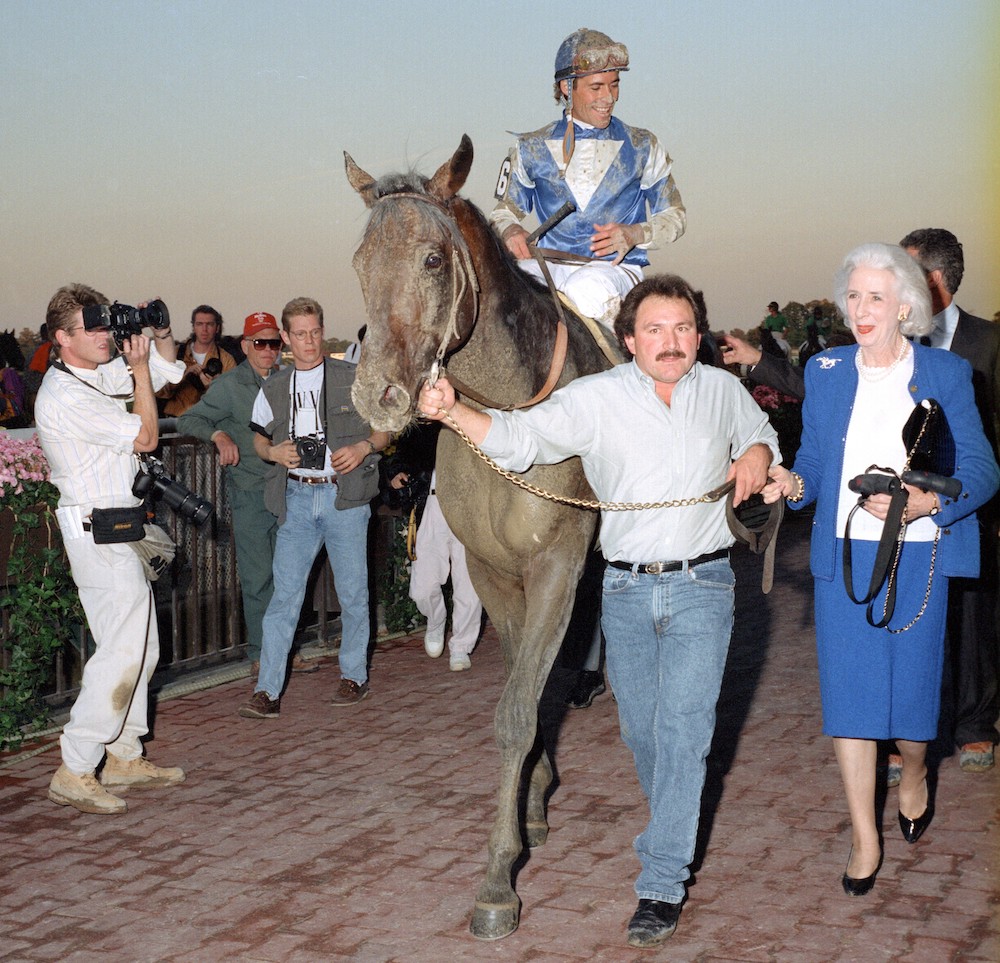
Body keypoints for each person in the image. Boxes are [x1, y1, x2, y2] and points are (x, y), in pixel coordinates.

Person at [418, 273, 779, 947]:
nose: (670, 343)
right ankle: (673, 818)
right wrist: (452, 412)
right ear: (628, 338)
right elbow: (521, 439)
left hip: (704, 587)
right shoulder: (596, 399)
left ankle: (660, 881)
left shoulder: (722, 390)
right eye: (654, 330)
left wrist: (759, 452)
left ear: (698, 334)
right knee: (646, 737)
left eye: (682, 329)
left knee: (685, 733)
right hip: (627, 594)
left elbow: (757, 430)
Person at [762, 243, 999, 897]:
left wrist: (928, 501)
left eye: (876, 297)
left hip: (918, 553)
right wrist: (792, 483)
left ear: (906, 305)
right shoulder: (828, 368)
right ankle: (865, 836)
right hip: (844, 555)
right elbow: (812, 460)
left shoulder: (946, 374)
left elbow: (982, 470)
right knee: (851, 703)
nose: (862, 309)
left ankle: (917, 771)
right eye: (853, 296)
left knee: (914, 708)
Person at [35, 282, 186, 815]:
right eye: (91, 328)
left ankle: (123, 756)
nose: (104, 335)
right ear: (61, 339)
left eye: (105, 324)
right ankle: (75, 766)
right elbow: (147, 436)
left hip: (120, 527)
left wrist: (159, 334)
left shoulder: (97, 374)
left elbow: (172, 374)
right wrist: (139, 371)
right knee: (121, 651)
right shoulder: (65, 395)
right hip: (95, 533)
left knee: (143, 650)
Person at [238, 297, 390, 719]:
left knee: (354, 592)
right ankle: (267, 690)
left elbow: (385, 429)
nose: (309, 342)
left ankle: (353, 676)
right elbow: (256, 437)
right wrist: (272, 452)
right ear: (285, 338)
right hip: (297, 499)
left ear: (323, 331)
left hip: (345, 498)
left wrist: (363, 447)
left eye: (316, 332)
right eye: (300, 334)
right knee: (284, 597)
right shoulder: (272, 386)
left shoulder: (354, 377)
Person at [489, 28, 685, 329]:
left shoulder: (643, 145)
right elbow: (501, 214)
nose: (609, 97)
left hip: (616, 270)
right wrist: (511, 230)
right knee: (503, 295)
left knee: (585, 291)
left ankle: (627, 370)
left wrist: (635, 234)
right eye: (596, 88)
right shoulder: (529, 148)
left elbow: (675, 217)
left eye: (614, 85)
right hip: (549, 265)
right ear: (567, 87)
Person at [899, 228, 1000, 775]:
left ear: (935, 281)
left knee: (973, 621)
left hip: (974, 507)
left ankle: (975, 726)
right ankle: (908, 735)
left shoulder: (988, 341)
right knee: (910, 618)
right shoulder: (896, 344)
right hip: (904, 508)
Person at [178, 312, 317, 676]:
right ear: (244, 346)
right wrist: (219, 436)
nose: (268, 350)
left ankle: (290, 649)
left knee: (291, 575)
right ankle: (261, 654)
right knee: (258, 578)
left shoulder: (289, 380)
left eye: (274, 342)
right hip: (251, 492)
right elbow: (187, 420)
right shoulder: (228, 386)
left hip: (291, 491)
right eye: (260, 343)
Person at [157, 304, 237, 416]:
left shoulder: (226, 360)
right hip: (175, 421)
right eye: (199, 324)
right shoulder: (175, 354)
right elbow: (159, 391)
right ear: (194, 327)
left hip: (209, 422)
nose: (204, 329)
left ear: (217, 328)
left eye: (209, 324)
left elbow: (233, 398)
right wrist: (183, 376)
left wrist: (212, 387)